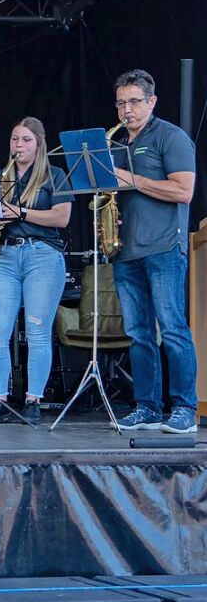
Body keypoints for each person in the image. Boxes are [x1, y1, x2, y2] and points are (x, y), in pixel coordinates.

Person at [108, 70, 198, 434]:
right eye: (120, 103)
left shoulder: (170, 136)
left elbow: (183, 191)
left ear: (151, 102)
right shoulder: (114, 143)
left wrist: (131, 179)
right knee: (138, 333)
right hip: (125, 251)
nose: (126, 110)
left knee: (172, 328)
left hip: (163, 247)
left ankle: (184, 409)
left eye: (133, 102)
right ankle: (146, 406)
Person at [0, 117, 72, 426]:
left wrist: (20, 212)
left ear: (39, 144)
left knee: (37, 333)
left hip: (42, 255)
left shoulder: (55, 175)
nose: (18, 146)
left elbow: (61, 218)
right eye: (15, 139)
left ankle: (34, 399)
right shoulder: (0, 177)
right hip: (5, 254)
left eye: (26, 140)